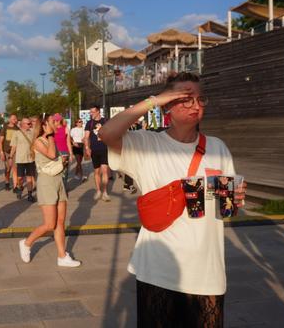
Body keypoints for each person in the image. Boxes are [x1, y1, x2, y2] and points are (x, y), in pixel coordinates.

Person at [99, 72, 244, 327]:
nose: (195, 105)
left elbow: (227, 211)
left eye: (200, 99)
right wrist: (154, 100)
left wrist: (234, 201)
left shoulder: (218, 147)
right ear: (168, 105)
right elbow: (107, 133)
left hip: (206, 270)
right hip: (158, 269)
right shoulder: (147, 144)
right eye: (185, 98)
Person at [18, 114, 81, 267]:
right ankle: (26, 243)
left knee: (60, 222)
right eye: (53, 122)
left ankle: (62, 256)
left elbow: (54, 158)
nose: (56, 123)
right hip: (47, 183)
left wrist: (63, 160)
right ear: (45, 125)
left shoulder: (49, 139)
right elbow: (52, 154)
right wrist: (51, 135)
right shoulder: (38, 141)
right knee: (49, 224)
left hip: (58, 180)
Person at [84, 105, 111, 201]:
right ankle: (98, 190)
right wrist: (87, 147)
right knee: (96, 171)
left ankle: (105, 192)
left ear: (98, 111)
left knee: (104, 170)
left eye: (92, 112)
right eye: (90, 112)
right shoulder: (89, 123)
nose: (91, 114)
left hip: (105, 149)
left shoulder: (105, 121)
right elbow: (86, 137)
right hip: (94, 150)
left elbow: (111, 133)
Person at [10, 117, 36, 202]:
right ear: (22, 125)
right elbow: (14, 146)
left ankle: (29, 195)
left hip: (30, 159)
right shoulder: (16, 133)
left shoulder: (33, 132)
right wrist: (10, 157)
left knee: (29, 177)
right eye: (28, 123)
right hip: (20, 159)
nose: (30, 125)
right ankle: (20, 187)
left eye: (30, 123)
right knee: (20, 178)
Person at [0, 114, 19, 191]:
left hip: (15, 151)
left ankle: (15, 186)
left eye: (16, 118)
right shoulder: (5, 128)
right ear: (9, 119)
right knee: (8, 168)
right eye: (13, 118)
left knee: (15, 168)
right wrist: (1, 152)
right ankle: (7, 182)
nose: (15, 120)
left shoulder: (17, 129)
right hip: (6, 151)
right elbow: (0, 141)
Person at [52, 113, 73, 185]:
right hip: (54, 153)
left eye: (54, 121)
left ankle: (64, 188)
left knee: (64, 172)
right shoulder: (51, 130)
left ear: (58, 121)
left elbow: (68, 142)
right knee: (56, 171)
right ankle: (57, 188)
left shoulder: (66, 129)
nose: (53, 122)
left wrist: (71, 154)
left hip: (64, 152)